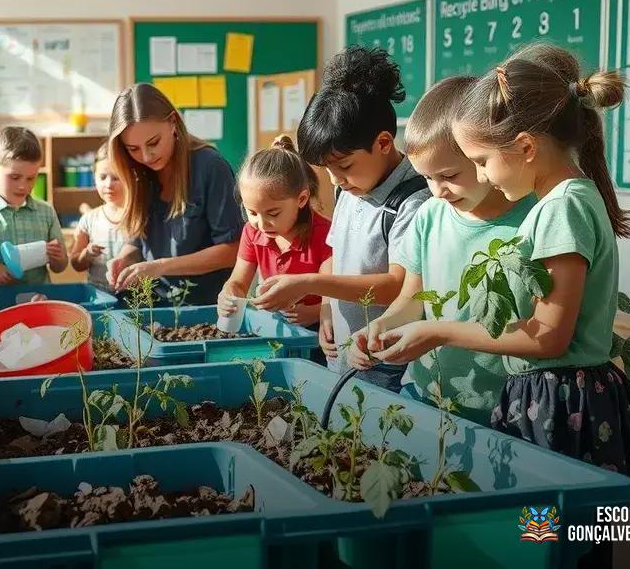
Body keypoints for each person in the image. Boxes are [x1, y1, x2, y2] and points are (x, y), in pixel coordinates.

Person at [364, 45, 630, 506]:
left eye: (479, 162)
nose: (482, 174)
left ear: (524, 147)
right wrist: (398, 326)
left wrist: (439, 331)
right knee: (549, 531)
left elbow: (547, 336)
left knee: (549, 532)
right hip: (551, 395)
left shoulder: (561, 207)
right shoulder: (564, 202)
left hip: (561, 401)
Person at [345, 76, 534, 425]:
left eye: (448, 175)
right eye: (427, 178)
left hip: (505, 406)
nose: (438, 191)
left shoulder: (533, 216)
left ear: (483, 156)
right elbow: (412, 300)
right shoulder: (430, 215)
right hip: (427, 395)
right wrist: (379, 327)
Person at [251, 47, 431, 392]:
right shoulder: (348, 189)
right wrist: (326, 310)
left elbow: (397, 285)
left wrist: (308, 284)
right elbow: (337, 256)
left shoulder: (413, 200)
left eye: (344, 166)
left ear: (383, 142)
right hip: (343, 355)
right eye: (328, 169)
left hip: (386, 363)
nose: (335, 179)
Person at [105, 83, 244, 306]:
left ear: (172, 122)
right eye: (133, 148)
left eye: (154, 143)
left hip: (204, 307)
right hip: (155, 305)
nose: (147, 156)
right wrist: (124, 258)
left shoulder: (210, 167)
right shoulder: (137, 171)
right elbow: (137, 241)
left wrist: (159, 266)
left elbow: (233, 250)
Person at [217, 135, 331, 334]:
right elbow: (238, 282)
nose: (261, 224)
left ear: (302, 198)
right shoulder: (252, 232)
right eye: (251, 212)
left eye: (273, 213)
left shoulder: (326, 235)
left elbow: (334, 293)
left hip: (317, 333)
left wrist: (315, 313)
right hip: (273, 327)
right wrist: (229, 295)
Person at [0, 126, 67, 284]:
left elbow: (60, 267)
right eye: (14, 177)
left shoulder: (46, 212)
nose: (23, 186)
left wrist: (59, 258)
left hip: (38, 300)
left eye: (31, 178)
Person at [70, 144, 132, 292]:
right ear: (94, 178)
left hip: (135, 299)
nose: (109, 184)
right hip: (98, 296)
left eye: (116, 177)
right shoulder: (89, 219)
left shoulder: (139, 216)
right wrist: (87, 254)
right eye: (103, 177)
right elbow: (76, 263)